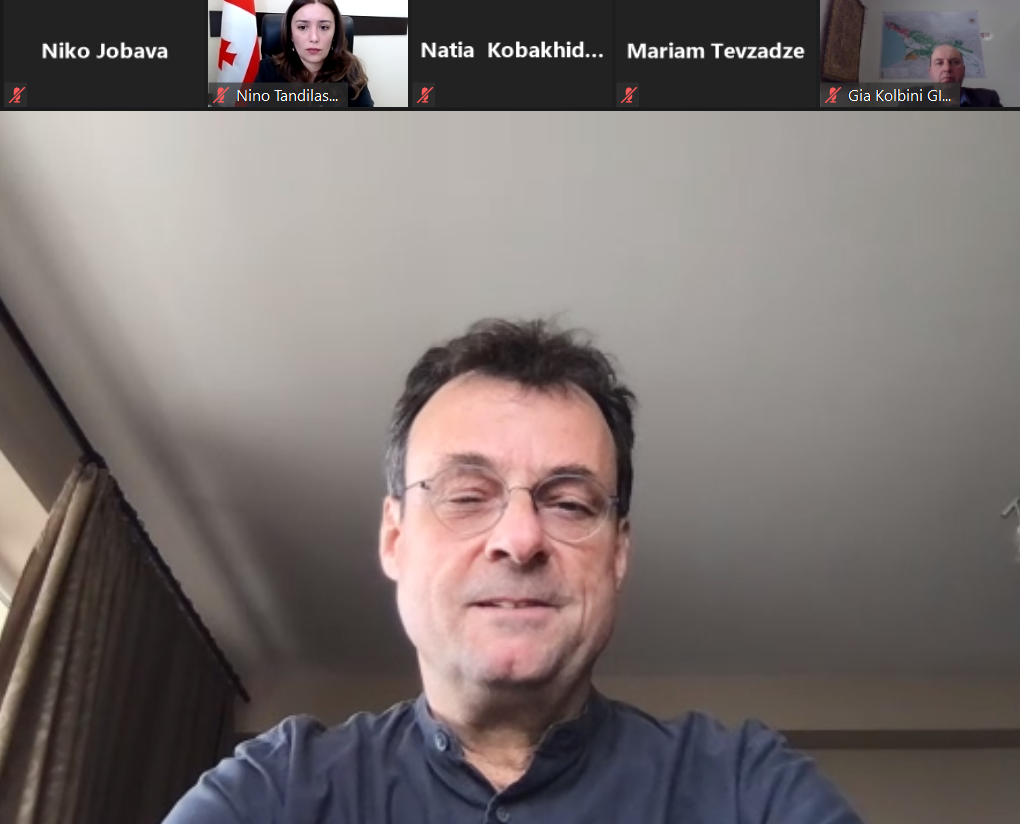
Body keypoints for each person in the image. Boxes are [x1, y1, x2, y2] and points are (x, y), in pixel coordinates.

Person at [162, 318, 864, 824]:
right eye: (468, 495)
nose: (521, 538)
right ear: (394, 538)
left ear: (618, 552)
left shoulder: (746, 790)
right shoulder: (272, 792)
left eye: (569, 502)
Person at [253, 0, 373, 107]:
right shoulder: (268, 70)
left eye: (324, 27)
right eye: (302, 27)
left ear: (335, 34)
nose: (314, 38)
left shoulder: (351, 70)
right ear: (291, 34)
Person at [927, 44, 1002, 107]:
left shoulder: (989, 100)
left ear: (963, 70)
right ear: (930, 73)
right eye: (939, 63)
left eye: (954, 62)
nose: (947, 68)